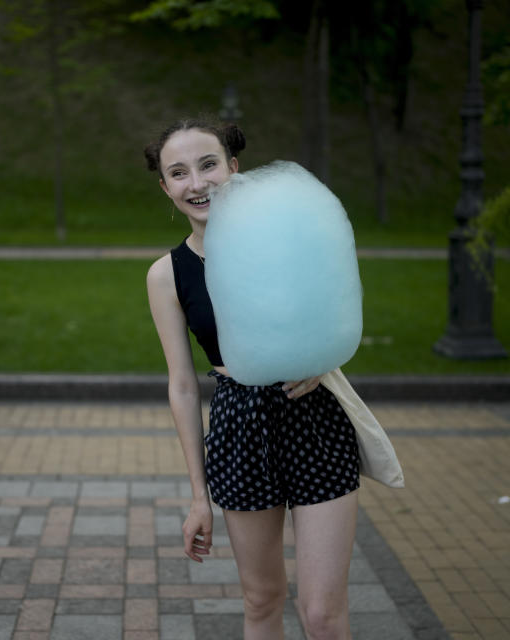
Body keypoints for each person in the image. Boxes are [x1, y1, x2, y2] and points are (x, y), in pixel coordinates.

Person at [144, 116, 361, 640]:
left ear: (233, 168)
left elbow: (336, 312)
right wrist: (199, 496)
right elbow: (182, 385)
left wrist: (321, 359)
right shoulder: (166, 275)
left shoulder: (290, 241)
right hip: (240, 429)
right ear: (166, 187)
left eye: (208, 164)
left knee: (321, 615)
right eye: (179, 172)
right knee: (262, 599)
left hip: (315, 420)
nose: (196, 183)